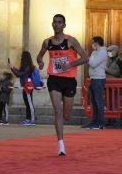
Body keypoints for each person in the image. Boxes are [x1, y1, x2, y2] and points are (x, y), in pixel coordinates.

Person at [36, 14, 88, 156]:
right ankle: (61, 145)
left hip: (69, 80)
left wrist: (70, 64)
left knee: (67, 115)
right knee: (57, 112)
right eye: (55, 22)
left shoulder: (71, 41)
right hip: (54, 79)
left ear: (64, 25)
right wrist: (40, 62)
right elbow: (39, 56)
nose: (57, 24)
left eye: (60, 22)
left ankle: (62, 131)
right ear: (52, 24)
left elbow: (85, 58)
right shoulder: (47, 42)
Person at [10, 51, 37, 126]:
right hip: (25, 86)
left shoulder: (27, 66)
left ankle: (32, 120)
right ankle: (28, 119)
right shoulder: (27, 65)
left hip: (28, 86)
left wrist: (12, 68)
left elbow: (19, 74)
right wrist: (13, 68)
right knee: (27, 103)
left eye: (21, 56)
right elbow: (19, 73)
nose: (20, 57)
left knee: (29, 103)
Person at [88, 36, 108, 129]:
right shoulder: (95, 52)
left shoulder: (103, 52)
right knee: (93, 102)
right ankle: (94, 121)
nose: (92, 44)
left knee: (98, 101)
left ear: (97, 43)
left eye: (93, 42)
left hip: (99, 78)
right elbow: (90, 61)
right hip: (93, 78)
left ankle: (100, 122)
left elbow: (92, 63)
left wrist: (90, 58)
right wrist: (91, 57)